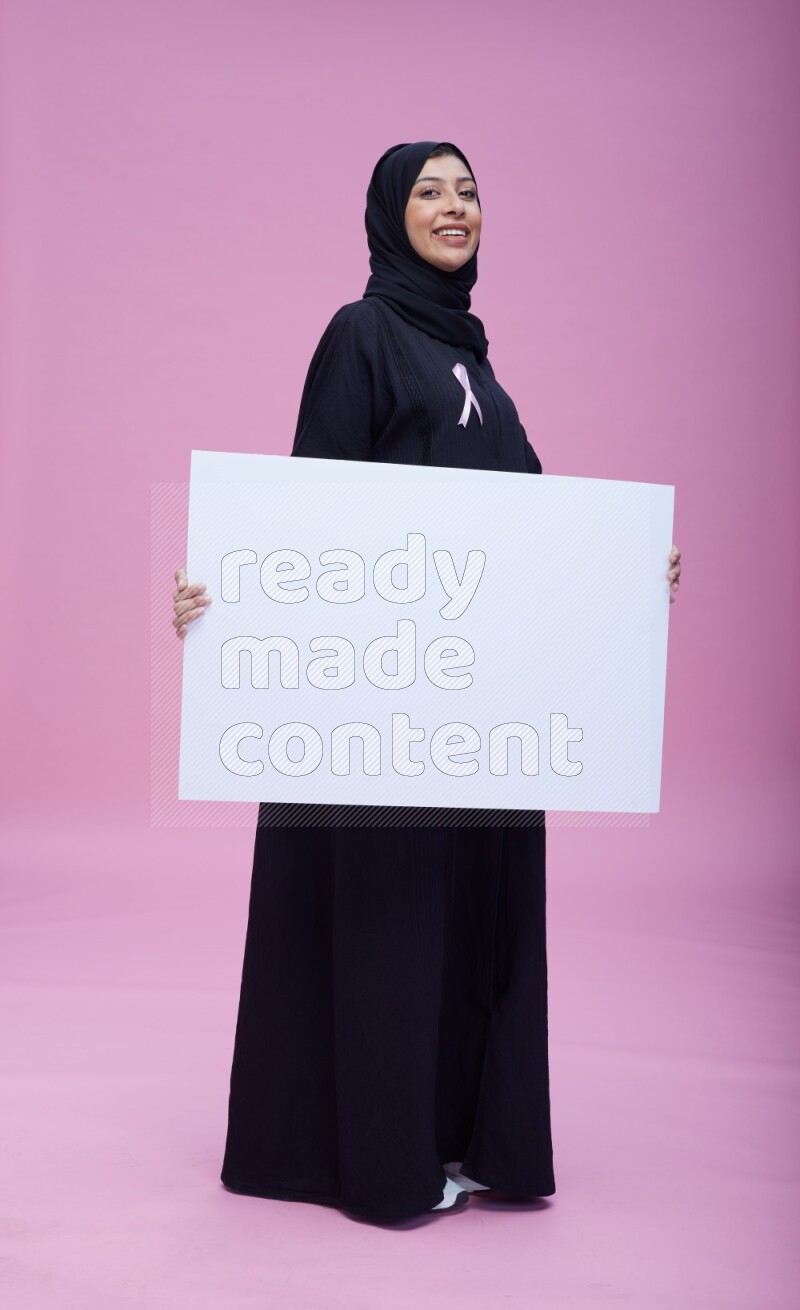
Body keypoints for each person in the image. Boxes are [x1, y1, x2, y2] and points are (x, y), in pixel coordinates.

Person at [172, 141, 682, 1223]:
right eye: (427, 192)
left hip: (478, 716)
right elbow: (309, 517)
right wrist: (228, 601)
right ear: (384, 215)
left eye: (467, 192)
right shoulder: (362, 334)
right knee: (389, 924)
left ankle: (456, 1136)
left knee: (467, 922)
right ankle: (375, 1158)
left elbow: (537, 526)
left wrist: (629, 570)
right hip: (384, 712)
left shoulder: (477, 367)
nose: (453, 208)